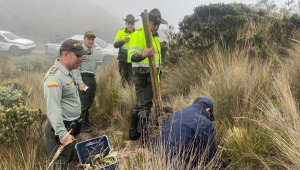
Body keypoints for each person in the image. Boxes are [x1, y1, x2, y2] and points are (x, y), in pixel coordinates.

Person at [44, 39, 91, 169]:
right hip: (60, 131)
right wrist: (63, 134)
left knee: (67, 159)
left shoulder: (69, 72)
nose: (81, 59)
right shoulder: (54, 77)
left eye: (82, 55)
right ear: (65, 54)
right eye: (78, 55)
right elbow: (53, 109)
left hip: (71, 127)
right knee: (59, 164)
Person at [127, 8, 167, 144]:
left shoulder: (154, 38)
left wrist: (158, 80)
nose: (156, 27)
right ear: (147, 21)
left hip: (151, 77)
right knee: (145, 107)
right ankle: (144, 139)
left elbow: (157, 63)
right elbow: (131, 56)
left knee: (140, 105)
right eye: (154, 24)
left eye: (158, 24)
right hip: (143, 77)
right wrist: (143, 54)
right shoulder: (139, 34)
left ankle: (133, 132)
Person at [161, 96, 218, 169]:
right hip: (179, 165)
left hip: (159, 160)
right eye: (209, 117)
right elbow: (210, 154)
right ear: (208, 110)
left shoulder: (174, 115)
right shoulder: (203, 121)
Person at [74, 31, 97, 133]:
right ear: (84, 39)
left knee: (89, 102)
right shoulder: (81, 51)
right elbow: (76, 68)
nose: (91, 41)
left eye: (92, 39)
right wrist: (80, 82)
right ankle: (80, 125)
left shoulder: (92, 50)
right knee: (83, 103)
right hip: (84, 78)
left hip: (92, 78)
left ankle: (85, 122)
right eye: (89, 39)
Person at [113, 14, 138, 86]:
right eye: (128, 23)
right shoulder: (121, 32)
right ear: (125, 24)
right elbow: (115, 44)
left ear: (134, 24)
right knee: (122, 79)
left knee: (131, 80)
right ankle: (122, 95)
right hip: (122, 60)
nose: (130, 25)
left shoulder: (137, 33)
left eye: (132, 23)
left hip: (133, 60)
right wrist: (122, 41)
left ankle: (130, 95)